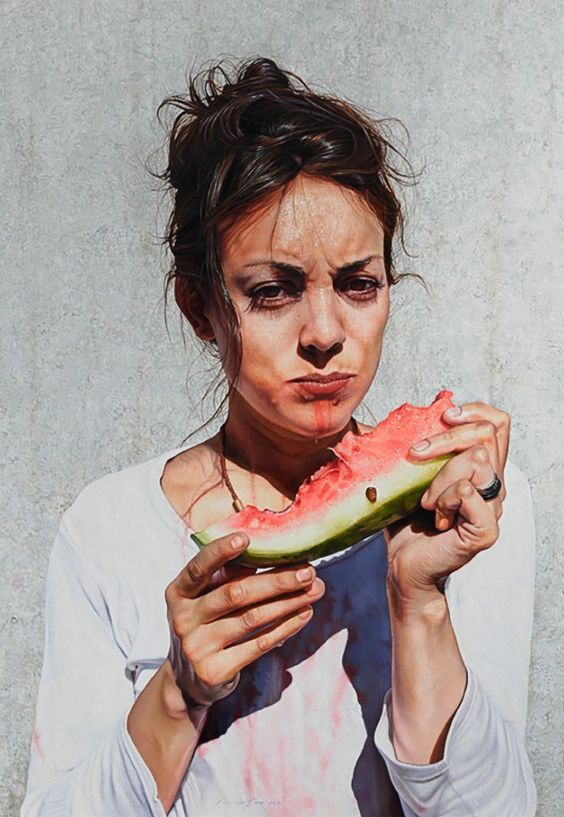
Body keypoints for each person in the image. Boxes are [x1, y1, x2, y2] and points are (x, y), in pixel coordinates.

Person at [21, 57, 537, 817]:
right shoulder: (107, 531)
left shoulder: (469, 500)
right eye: (273, 291)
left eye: (359, 283)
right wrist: (176, 692)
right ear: (201, 310)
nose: (326, 334)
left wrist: (420, 600)